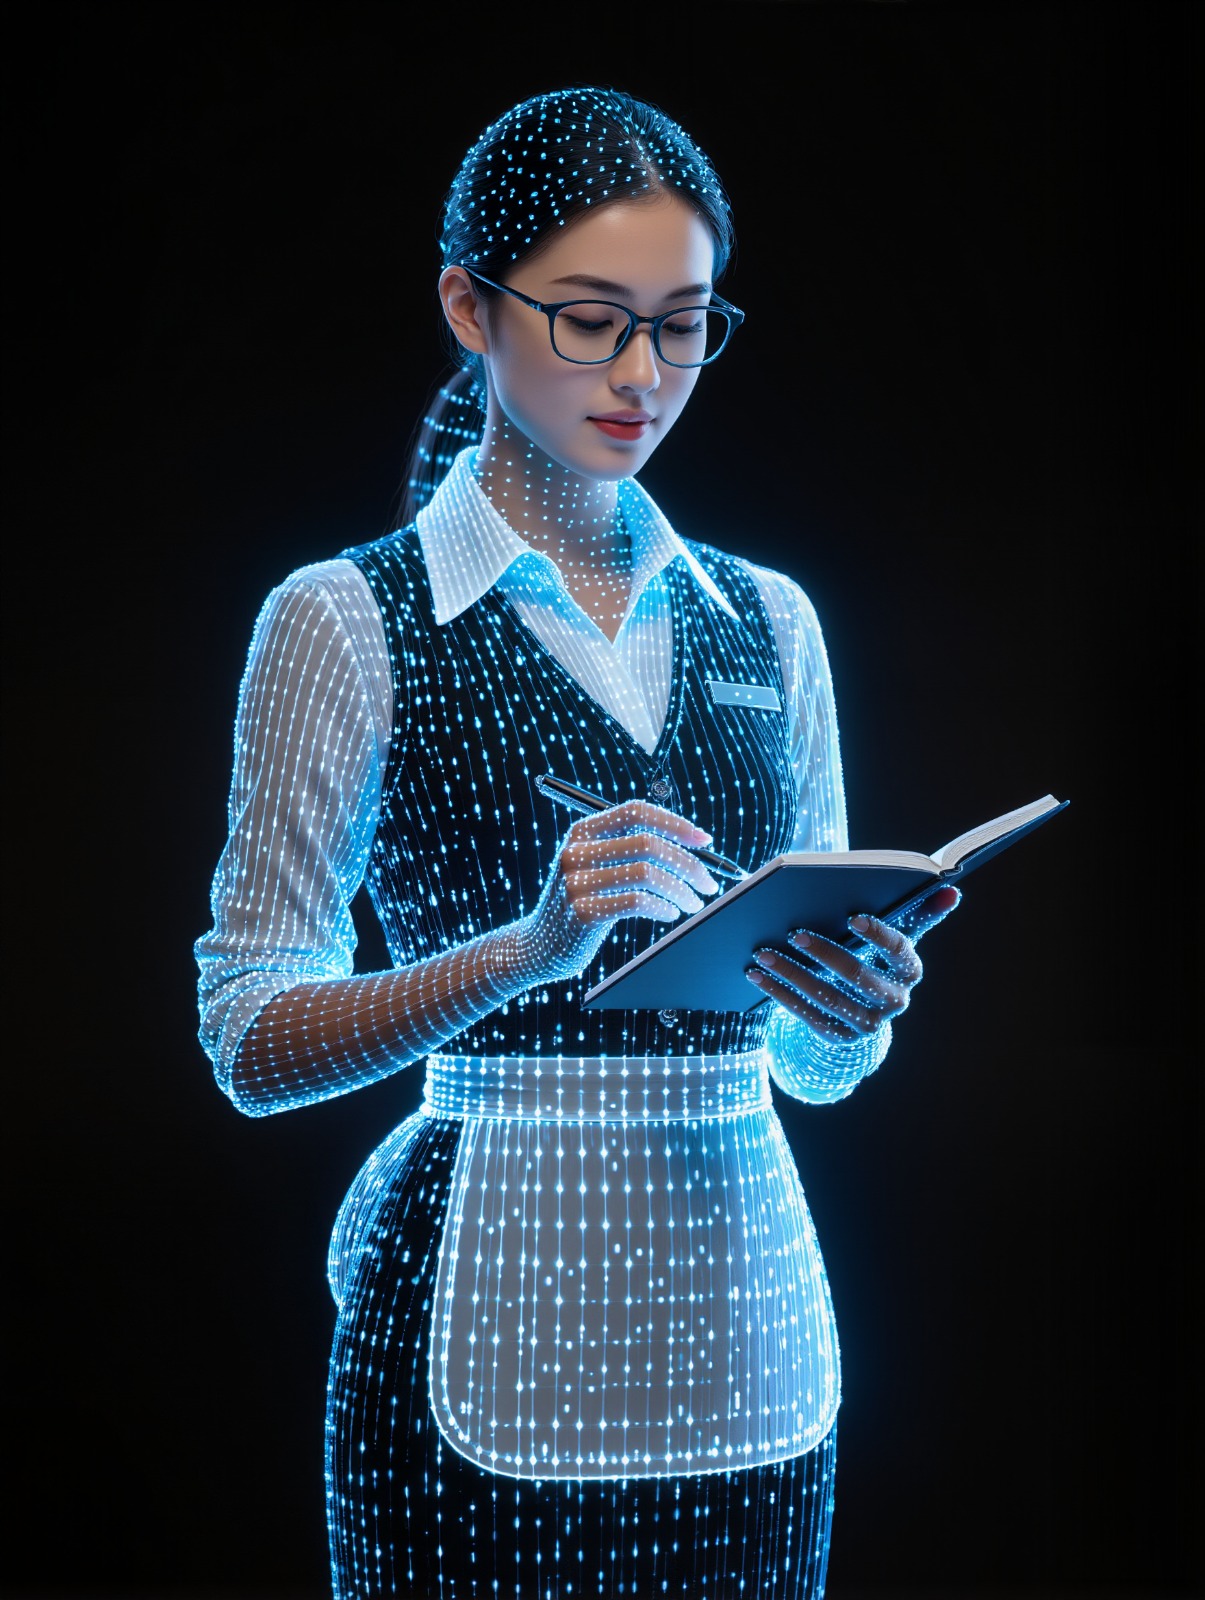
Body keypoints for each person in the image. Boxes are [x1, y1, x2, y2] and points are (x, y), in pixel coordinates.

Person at [196, 87, 959, 1600]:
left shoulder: (771, 620)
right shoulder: (344, 620)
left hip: (747, 1318)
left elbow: (812, 1077)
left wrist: (851, 1011)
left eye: (682, 325)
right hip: (469, 1307)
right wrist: (527, 947)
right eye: (593, 321)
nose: (645, 375)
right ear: (467, 308)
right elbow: (246, 1040)